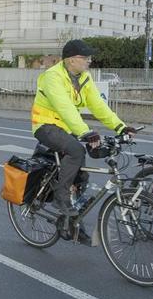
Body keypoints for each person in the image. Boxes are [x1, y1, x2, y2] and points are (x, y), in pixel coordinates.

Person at [30, 39, 135, 243]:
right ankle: (60, 199)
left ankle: (71, 224)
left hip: (68, 128)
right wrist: (86, 132)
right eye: (85, 57)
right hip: (45, 125)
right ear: (71, 60)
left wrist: (120, 126)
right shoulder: (53, 76)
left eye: (89, 57)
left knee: (82, 178)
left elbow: (98, 106)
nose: (89, 61)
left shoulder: (84, 77)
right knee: (77, 151)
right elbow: (64, 107)